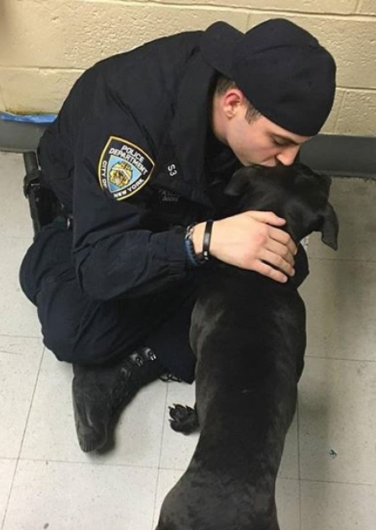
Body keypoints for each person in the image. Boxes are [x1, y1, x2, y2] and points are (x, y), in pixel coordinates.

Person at [19, 19, 336, 453]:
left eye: (299, 145)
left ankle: (136, 360)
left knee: (282, 268)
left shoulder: (258, 91)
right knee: (72, 330)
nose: (289, 159)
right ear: (233, 103)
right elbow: (99, 266)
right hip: (103, 216)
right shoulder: (127, 123)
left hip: (185, 202)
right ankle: (57, 258)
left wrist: (225, 236)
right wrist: (202, 241)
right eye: (280, 141)